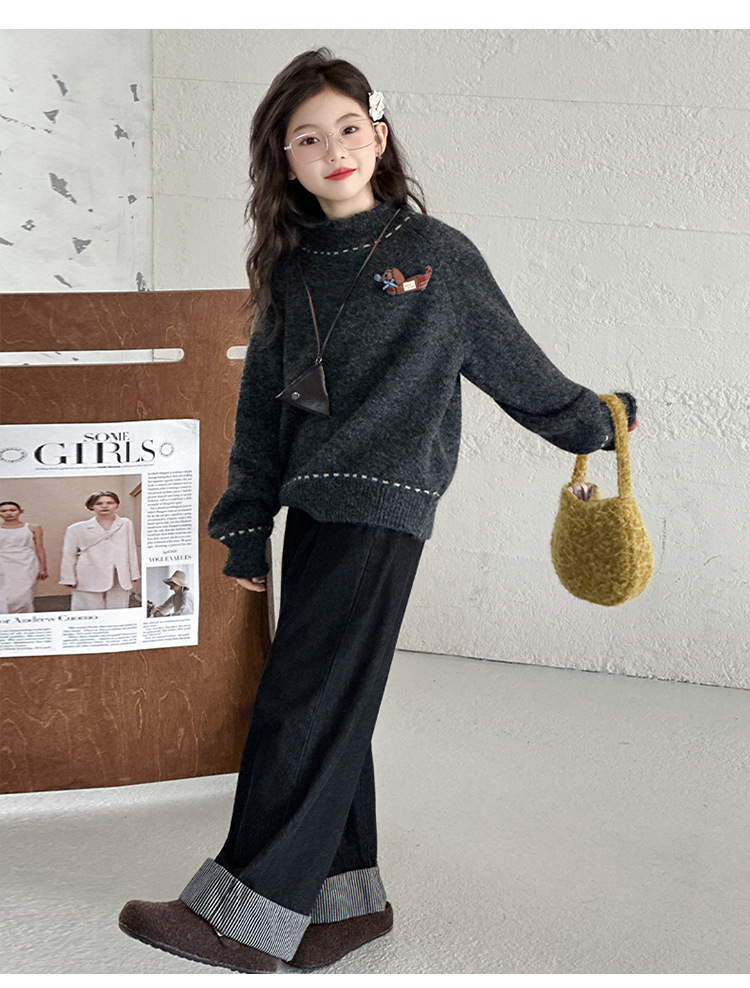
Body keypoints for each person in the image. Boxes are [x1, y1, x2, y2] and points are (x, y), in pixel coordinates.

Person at [119, 48, 640, 973]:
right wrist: (246, 523)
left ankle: (244, 917)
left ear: (381, 134)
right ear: (285, 163)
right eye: (308, 139)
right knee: (329, 697)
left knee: (302, 701)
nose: (335, 151)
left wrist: (594, 422)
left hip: (386, 505)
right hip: (313, 505)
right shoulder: (291, 270)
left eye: (349, 129)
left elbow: (510, 359)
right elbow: (263, 407)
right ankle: (345, 905)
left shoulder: (436, 254)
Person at [60, 491, 140, 610]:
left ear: (117, 505)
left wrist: (134, 573)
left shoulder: (125, 523)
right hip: (89, 573)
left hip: (118, 575)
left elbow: (131, 549)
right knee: (89, 609)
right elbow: (69, 555)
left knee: (118, 609)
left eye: (110, 503)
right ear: (91, 506)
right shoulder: (76, 528)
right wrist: (68, 578)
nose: (104, 506)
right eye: (99, 503)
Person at [0, 500, 48, 613]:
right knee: (4, 593)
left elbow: (39, 548)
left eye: (12, 510)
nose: (8, 513)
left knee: (24, 594)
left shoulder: (33, 528)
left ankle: (24, 617)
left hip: (26, 563)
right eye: (3, 511)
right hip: (3, 563)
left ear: (20, 511)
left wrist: (43, 568)